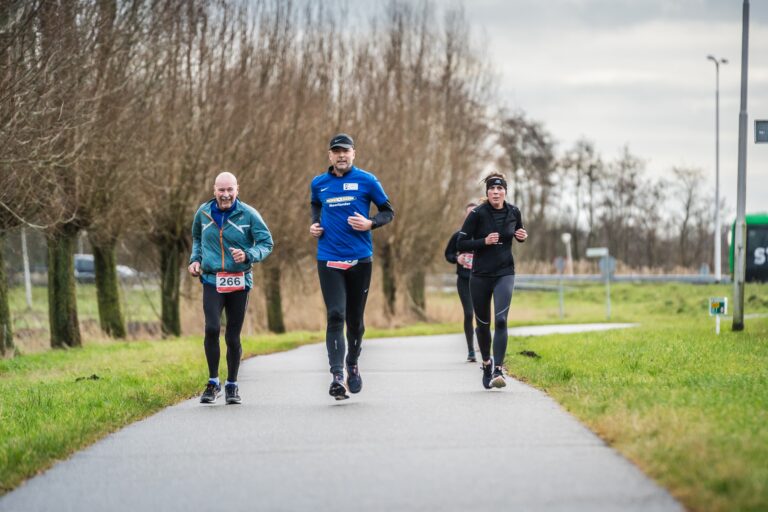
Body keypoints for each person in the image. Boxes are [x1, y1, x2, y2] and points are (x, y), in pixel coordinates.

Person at [309, 133, 394, 400]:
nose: (341, 155)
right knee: (335, 314)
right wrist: (315, 224)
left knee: (355, 321)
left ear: (354, 153)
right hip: (329, 259)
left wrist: (371, 224)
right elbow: (314, 204)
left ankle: (352, 363)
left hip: (360, 259)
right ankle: (336, 376)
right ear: (330, 155)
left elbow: (388, 211)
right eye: (336, 152)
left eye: (345, 151)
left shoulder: (367, 181)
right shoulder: (319, 184)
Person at [188, 171, 273, 404]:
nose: (225, 195)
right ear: (214, 190)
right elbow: (197, 239)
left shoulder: (249, 214)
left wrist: (248, 254)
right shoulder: (203, 213)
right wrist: (195, 260)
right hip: (212, 279)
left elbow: (267, 243)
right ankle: (213, 382)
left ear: (237, 190)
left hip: (239, 280)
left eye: (229, 190)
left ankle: (232, 385)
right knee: (212, 328)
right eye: (221, 190)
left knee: (233, 335)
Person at [456, 173, 528, 389]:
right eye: (492, 189)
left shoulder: (514, 211)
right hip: (480, 275)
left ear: (505, 191)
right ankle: (486, 364)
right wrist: (483, 241)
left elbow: (519, 232)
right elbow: (461, 242)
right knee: (483, 324)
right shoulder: (478, 214)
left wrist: (521, 236)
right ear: (487, 192)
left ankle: (498, 369)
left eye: (500, 189)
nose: (496, 192)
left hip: (505, 272)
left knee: (502, 320)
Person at [444, 203, 478, 362]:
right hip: (464, 280)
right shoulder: (458, 235)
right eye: (468, 214)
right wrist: (457, 258)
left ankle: (484, 347)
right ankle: (471, 350)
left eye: (474, 213)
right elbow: (448, 254)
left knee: (482, 316)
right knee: (469, 313)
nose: (471, 216)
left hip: (481, 280)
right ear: (465, 216)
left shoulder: (483, 235)